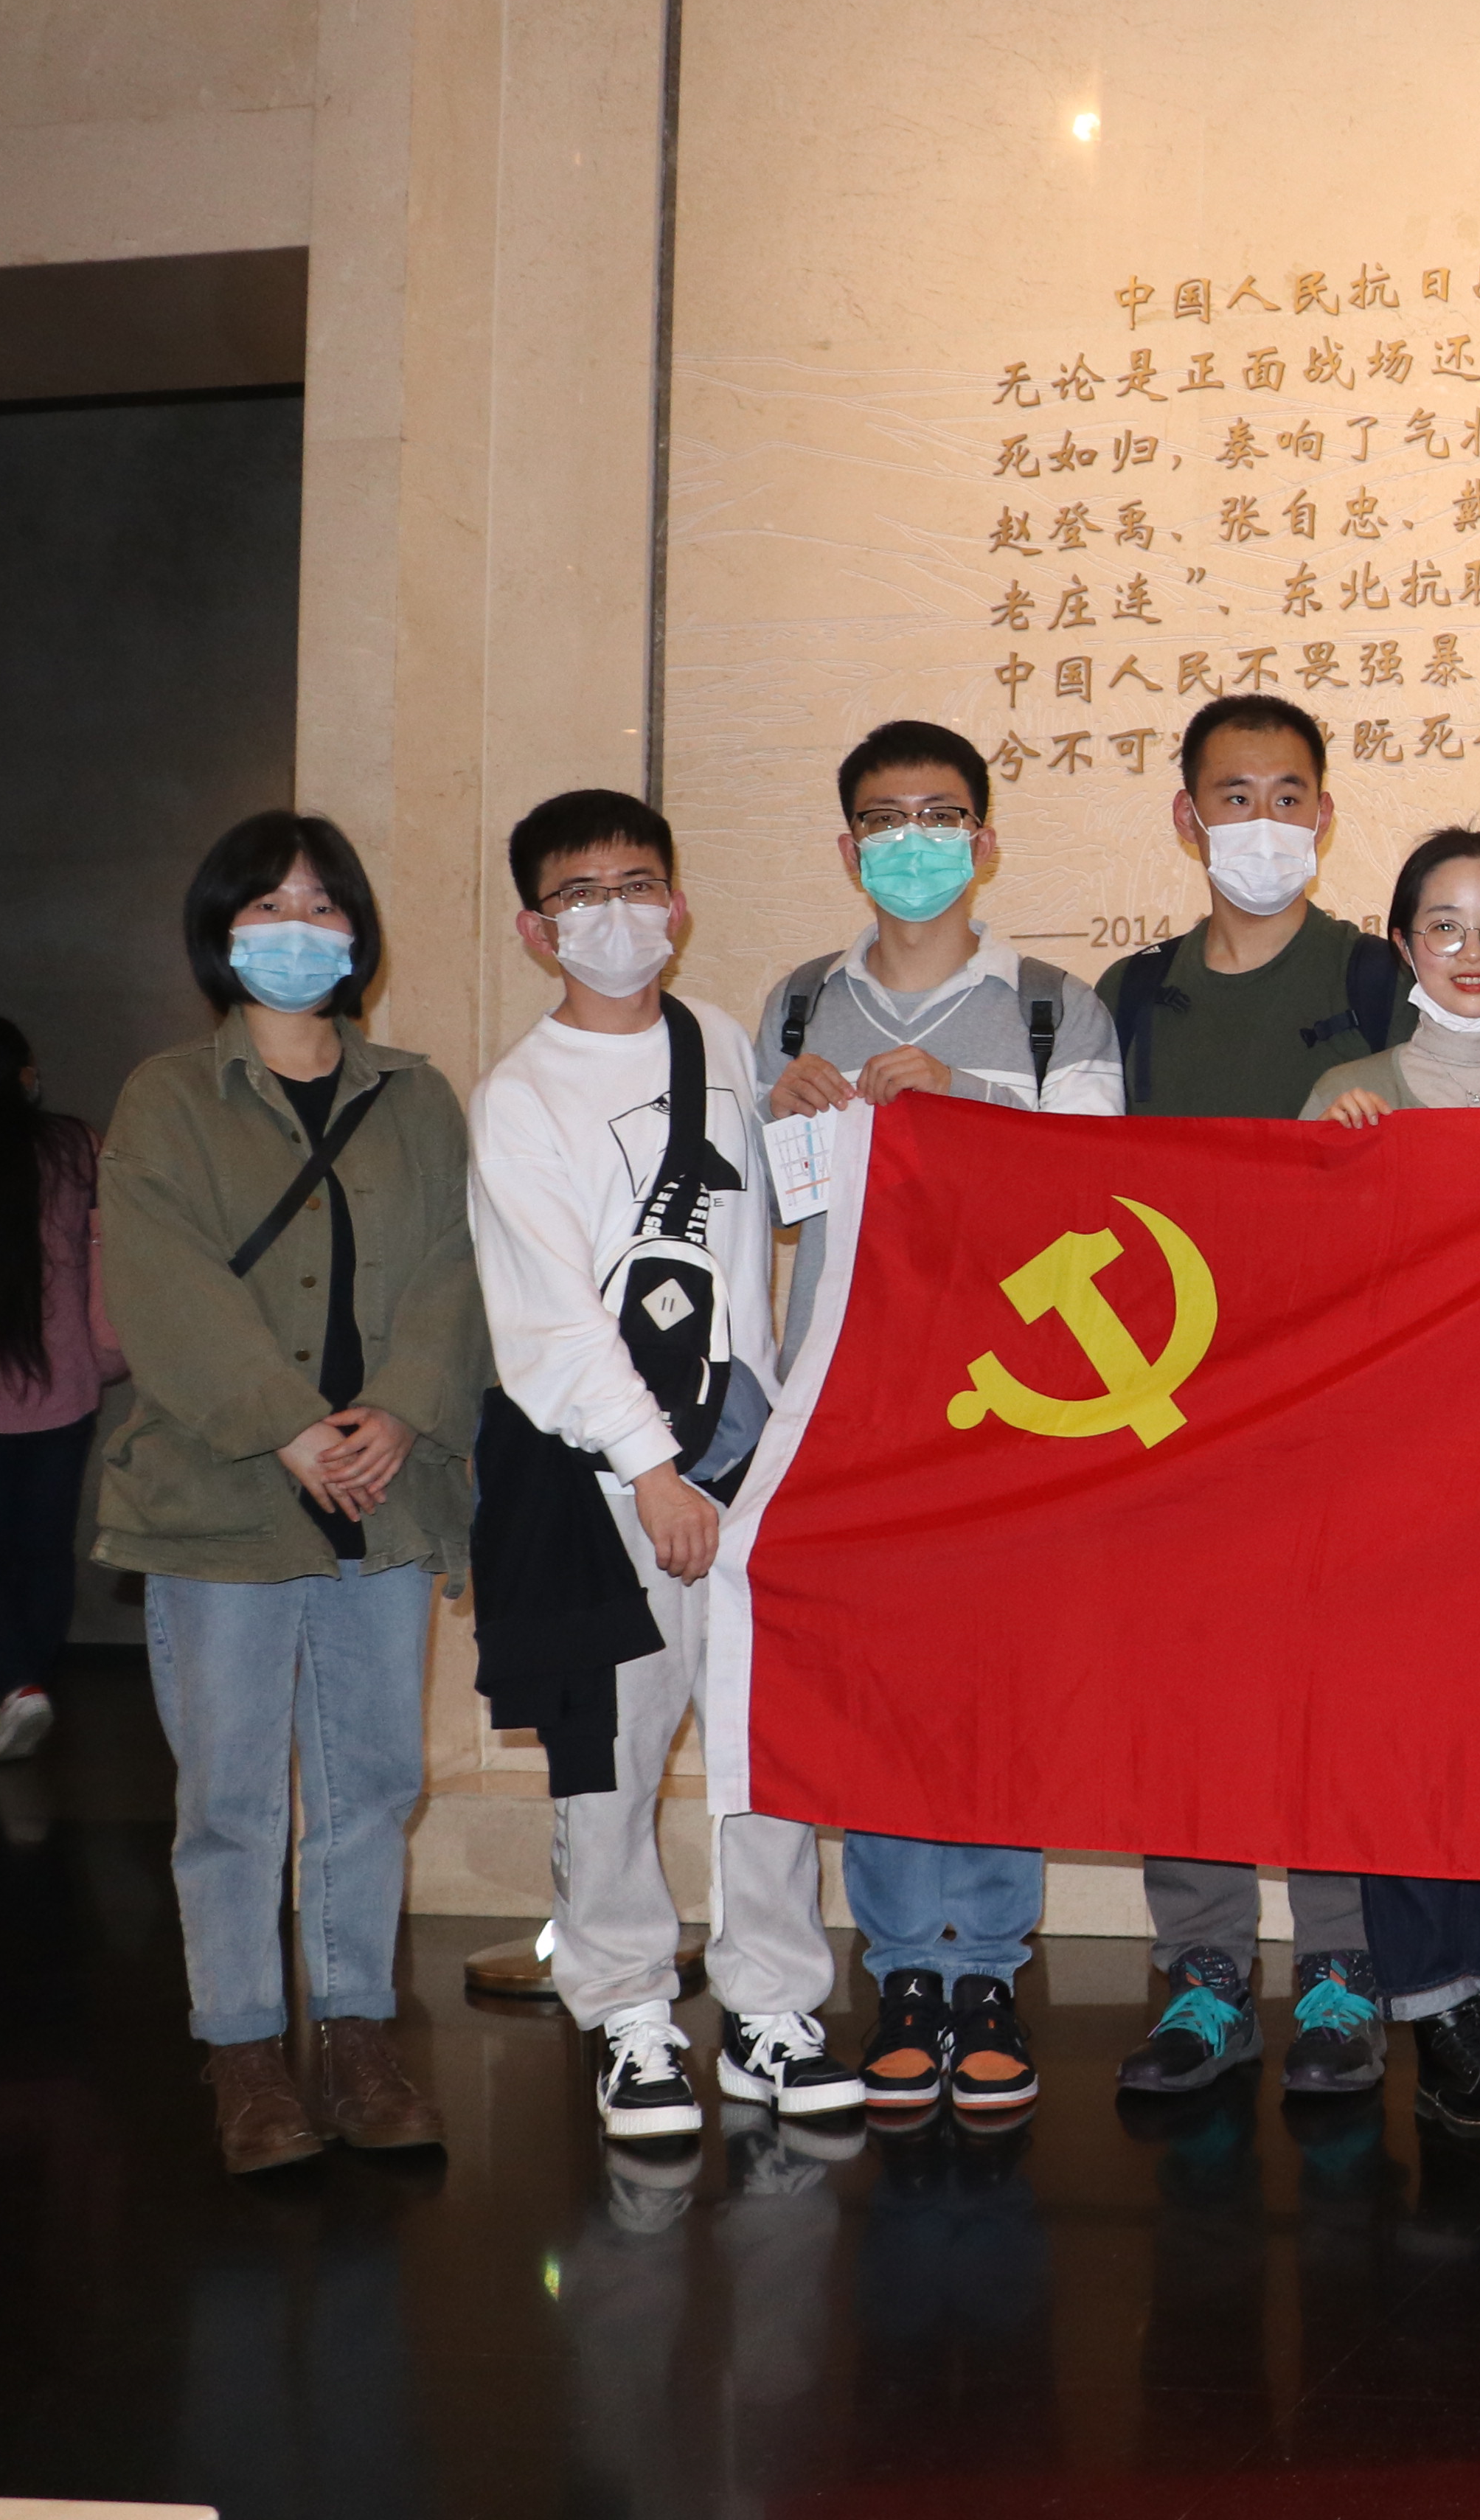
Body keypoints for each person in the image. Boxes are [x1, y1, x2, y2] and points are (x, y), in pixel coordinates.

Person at [86, 813, 483, 2170]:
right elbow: (162, 1286)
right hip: (225, 1497)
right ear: (220, 929)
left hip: (386, 1486)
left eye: (321, 905)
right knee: (233, 1796)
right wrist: (290, 1427)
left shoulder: (417, 1096)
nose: (296, 929)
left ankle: (359, 2036)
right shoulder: (166, 1097)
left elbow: (456, 1270)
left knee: (374, 1779)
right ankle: (245, 2050)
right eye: (266, 906)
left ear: (358, 933)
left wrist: (404, 1407)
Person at [469, 788, 855, 2145]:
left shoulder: (722, 1043)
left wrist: (813, 1115)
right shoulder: (518, 1098)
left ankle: (770, 2008)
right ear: (537, 928)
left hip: (747, 1466)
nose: (614, 914)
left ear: (678, 906)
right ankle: (630, 2012)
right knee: (611, 1759)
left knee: (762, 1751)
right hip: (605, 1487)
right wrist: (649, 1470)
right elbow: (549, 1316)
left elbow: (777, 1224)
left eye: (636, 886)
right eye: (580, 895)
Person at [754, 718, 1123, 2123]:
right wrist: (779, 1110)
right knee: (885, 1690)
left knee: (995, 1688)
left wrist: (965, 1102)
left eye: (941, 816)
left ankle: (991, 1972)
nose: (915, 841)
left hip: (1010, 1407)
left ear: (985, 840)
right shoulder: (799, 1002)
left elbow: (1101, 1186)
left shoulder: (1053, 1008)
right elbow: (763, 1207)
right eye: (886, 819)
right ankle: (907, 1970)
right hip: (852, 1398)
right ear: (848, 848)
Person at [1094, 695, 1415, 2104]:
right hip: (1174, 1404)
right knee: (1189, 1691)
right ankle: (1206, 1971)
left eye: (1290, 797)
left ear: (1326, 818)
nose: (1263, 824)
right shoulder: (1130, 998)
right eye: (1236, 797)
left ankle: (1343, 1969)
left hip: (1343, 1404)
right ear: (1187, 818)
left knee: (1337, 1688)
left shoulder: (1379, 980)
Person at [1304, 824, 1480, 2139]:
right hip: (1390, 1494)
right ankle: (1433, 2011)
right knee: (1406, 1754)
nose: (1474, 950)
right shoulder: (1348, 1094)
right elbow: (1300, 1293)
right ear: (1405, 944)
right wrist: (1335, 1169)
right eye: (1446, 925)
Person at [0, 1016, 123, 1764]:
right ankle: (29, 1682)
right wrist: (105, 1351)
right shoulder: (76, 1147)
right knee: (44, 1552)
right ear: (23, 1073)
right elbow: (110, 1251)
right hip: (64, 1385)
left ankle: (19, 1686)